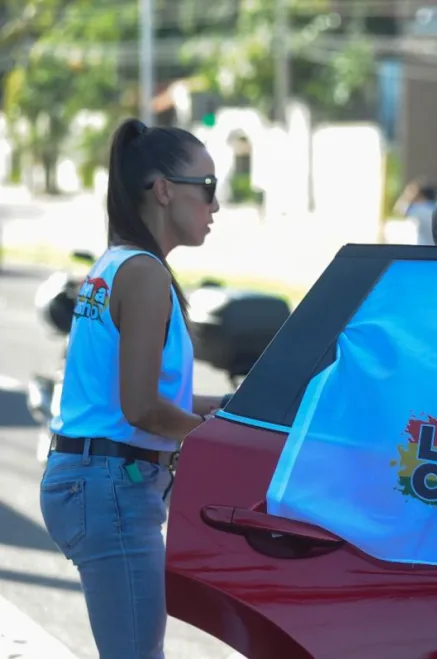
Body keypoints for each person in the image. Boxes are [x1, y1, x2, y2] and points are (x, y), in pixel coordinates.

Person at [39, 118, 224, 659]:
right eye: (208, 188)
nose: (216, 207)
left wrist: (228, 412)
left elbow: (140, 393)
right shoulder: (143, 274)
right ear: (164, 190)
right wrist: (221, 443)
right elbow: (141, 407)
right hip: (111, 487)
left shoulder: (118, 262)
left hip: (94, 480)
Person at [393, 179, 437, 245]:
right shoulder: (436, 209)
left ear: (422, 196)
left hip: (422, 249)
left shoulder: (419, 210)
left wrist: (408, 193)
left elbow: (398, 209)